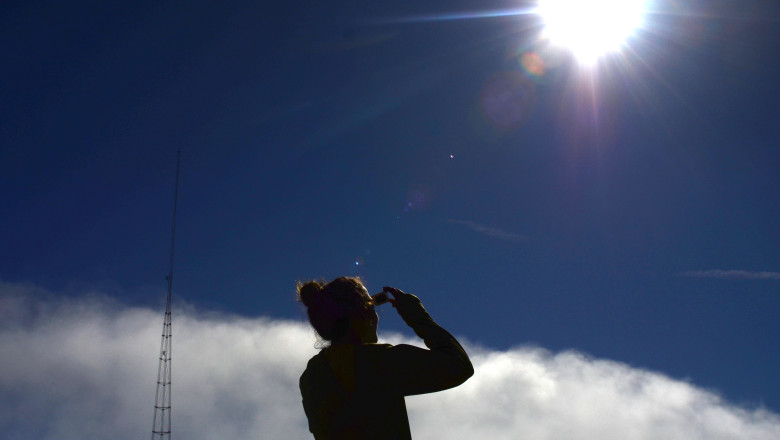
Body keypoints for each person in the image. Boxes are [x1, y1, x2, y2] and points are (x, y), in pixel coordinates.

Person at [297, 277, 473, 440]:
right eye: (372, 307)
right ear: (363, 315)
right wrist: (418, 316)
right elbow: (458, 366)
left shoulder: (312, 376)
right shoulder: (375, 361)